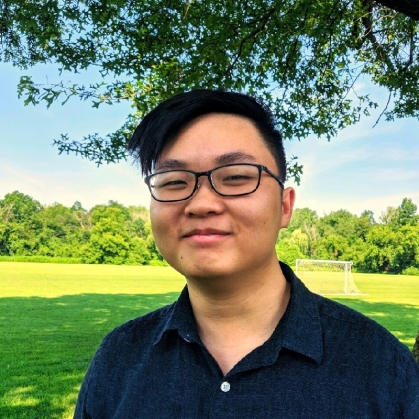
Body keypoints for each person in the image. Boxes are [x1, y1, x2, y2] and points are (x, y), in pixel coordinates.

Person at [74, 90, 419, 418]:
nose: (202, 204)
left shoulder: (382, 366)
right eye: (174, 181)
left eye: (237, 177)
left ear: (285, 207)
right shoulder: (119, 358)